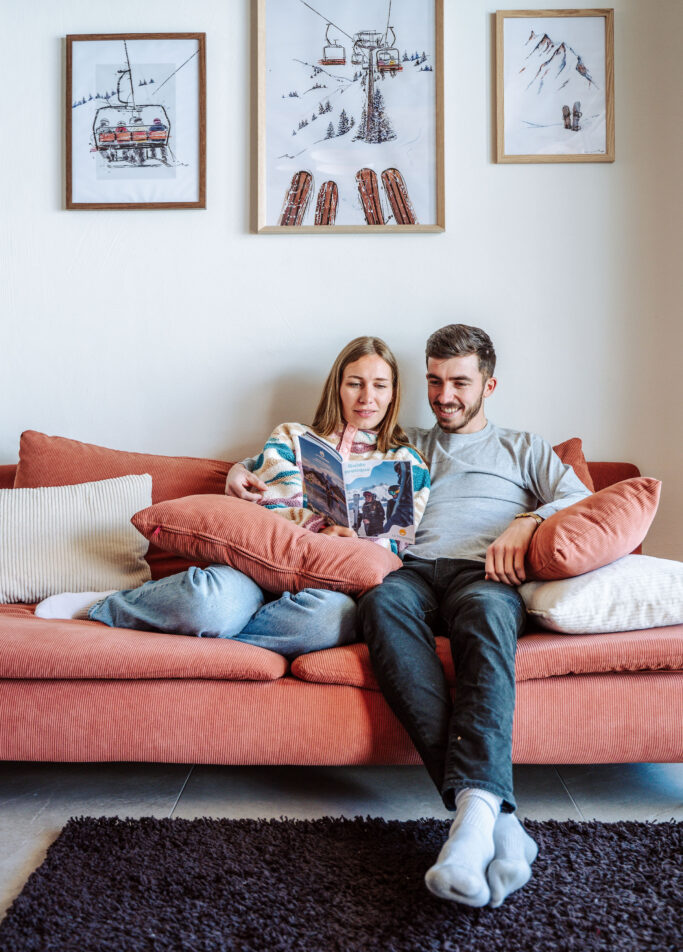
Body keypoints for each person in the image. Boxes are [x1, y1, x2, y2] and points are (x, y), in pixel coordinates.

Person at [355, 323, 591, 909]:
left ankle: (473, 829)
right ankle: (494, 822)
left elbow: (586, 501)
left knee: (487, 619)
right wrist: (245, 475)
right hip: (409, 575)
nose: (445, 395)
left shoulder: (524, 448)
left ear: (489, 384)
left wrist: (528, 521)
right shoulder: (404, 443)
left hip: (483, 579)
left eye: (460, 382)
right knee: (379, 603)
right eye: (434, 381)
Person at [36, 337, 430, 661]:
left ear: (394, 392)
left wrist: (348, 542)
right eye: (355, 382)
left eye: (380, 385)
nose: (367, 397)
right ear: (337, 387)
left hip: (329, 586)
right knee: (212, 602)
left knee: (330, 621)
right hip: (256, 567)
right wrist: (319, 527)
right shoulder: (293, 437)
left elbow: (394, 546)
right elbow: (273, 508)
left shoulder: (407, 463)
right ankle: (109, 606)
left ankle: (213, 638)